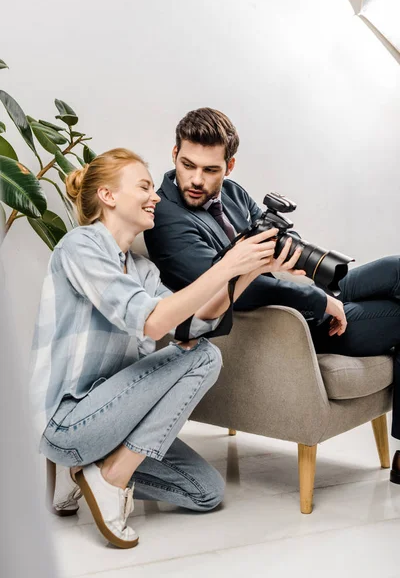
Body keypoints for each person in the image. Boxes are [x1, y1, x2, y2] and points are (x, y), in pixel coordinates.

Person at [29, 148, 302, 549]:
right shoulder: (80, 247)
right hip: (69, 421)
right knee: (205, 358)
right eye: (143, 186)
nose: (155, 195)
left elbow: (193, 324)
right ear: (107, 196)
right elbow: (152, 320)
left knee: (204, 491)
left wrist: (251, 269)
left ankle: (88, 470)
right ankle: (109, 476)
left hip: (116, 419)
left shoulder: (141, 270)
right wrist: (226, 265)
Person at [144, 107, 400, 480]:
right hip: (277, 326)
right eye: (188, 165)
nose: (196, 179)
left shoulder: (232, 193)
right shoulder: (164, 216)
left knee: (395, 268)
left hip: (295, 299)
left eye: (210, 170)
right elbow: (229, 289)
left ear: (229, 166)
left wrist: (292, 252)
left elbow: (282, 242)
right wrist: (318, 300)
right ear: (174, 155)